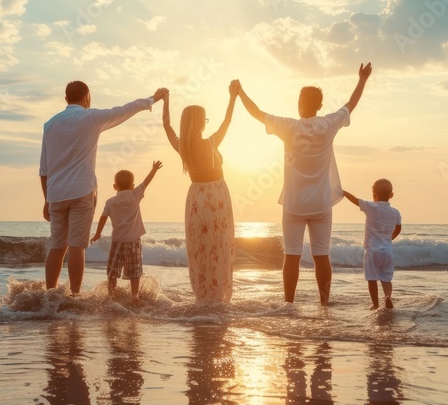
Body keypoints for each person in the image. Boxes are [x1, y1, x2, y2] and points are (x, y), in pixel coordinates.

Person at [237, 63, 373, 305]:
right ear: (319, 105)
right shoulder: (329, 124)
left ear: (300, 102)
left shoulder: (289, 127)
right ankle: (324, 303)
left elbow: (257, 113)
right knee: (322, 256)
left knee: (292, 256)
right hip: (321, 204)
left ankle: (289, 304)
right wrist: (362, 79)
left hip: (294, 205)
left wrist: (240, 92)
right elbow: (351, 104)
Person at [39, 81, 167, 292]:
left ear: (65, 99)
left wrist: (47, 199)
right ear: (87, 97)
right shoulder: (91, 118)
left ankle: (50, 296)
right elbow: (125, 110)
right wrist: (153, 99)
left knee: (57, 245)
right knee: (77, 245)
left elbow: (43, 169)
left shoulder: (49, 125)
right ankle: (74, 295)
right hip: (82, 192)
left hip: (56, 193)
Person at [161, 81, 240, 303]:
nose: (206, 124)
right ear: (199, 122)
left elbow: (167, 125)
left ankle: (203, 297)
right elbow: (227, 121)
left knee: (200, 250)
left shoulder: (182, 146)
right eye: (204, 119)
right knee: (220, 247)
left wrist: (165, 101)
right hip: (216, 197)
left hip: (195, 198)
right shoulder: (211, 143)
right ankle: (219, 297)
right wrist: (233, 96)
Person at [90, 161, 164, 305]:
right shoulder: (135, 195)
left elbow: (103, 217)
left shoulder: (110, 202)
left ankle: (111, 296)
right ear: (132, 186)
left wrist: (97, 234)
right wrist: (154, 169)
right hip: (133, 241)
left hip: (117, 240)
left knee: (113, 270)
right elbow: (146, 182)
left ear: (114, 186)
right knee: (134, 270)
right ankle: (134, 297)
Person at [343, 179, 402, 309]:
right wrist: (389, 238)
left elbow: (355, 200)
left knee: (372, 279)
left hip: (372, 251)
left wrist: (343, 192)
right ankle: (388, 297)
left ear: (374, 194)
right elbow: (398, 228)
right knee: (386, 279)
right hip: (388, 252)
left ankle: (375, 304)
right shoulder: (395, 212)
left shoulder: (370, 207)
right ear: (391, 195)